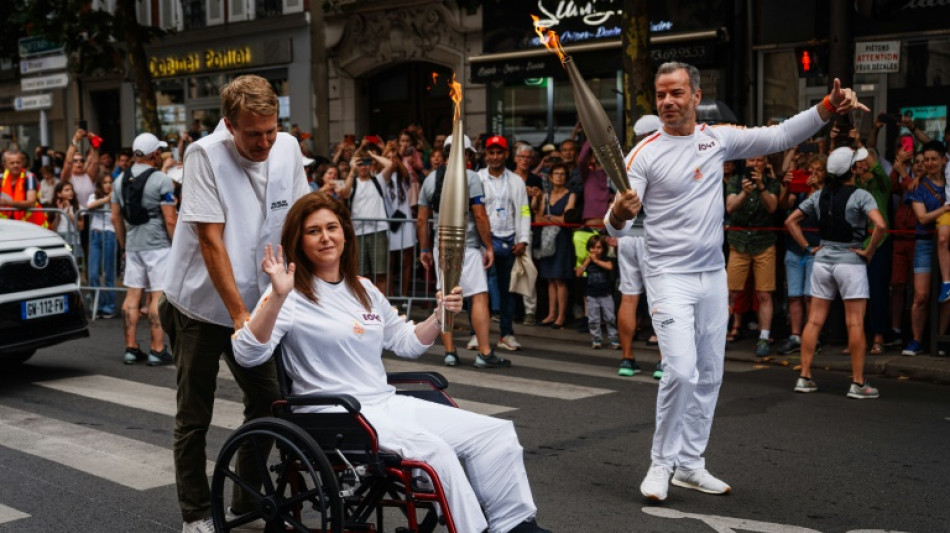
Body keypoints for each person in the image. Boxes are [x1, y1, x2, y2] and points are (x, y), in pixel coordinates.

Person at [605, 61, 866, 502]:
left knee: (710, 375)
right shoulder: (643, 154)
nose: (668, 102)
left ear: (695, 96)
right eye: (662, 94)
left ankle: (690, 464)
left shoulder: (716, 139)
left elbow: (780, 136)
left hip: (711, 275)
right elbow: (614, 226)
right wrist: (620, 214)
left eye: (677, 93)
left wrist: (826, 107)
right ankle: (660, 463)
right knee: (681, 373)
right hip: (668, 276)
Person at [231, 193, 550, 533]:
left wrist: (439, 315)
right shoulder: (289, 293)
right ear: (298, 240)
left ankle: (514, 524)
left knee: (494, 433)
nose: (325, 237)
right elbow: (248, 354)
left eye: (332, 227)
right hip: (334, 413)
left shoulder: (364, 289)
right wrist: (277, 296)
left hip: (383, 403)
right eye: (313, 231)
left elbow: (405, 342)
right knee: (436, 452)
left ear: (345, 234)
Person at [158, 74, 311, 533]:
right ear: (229, 124)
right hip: (199, 308)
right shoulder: (204, 154)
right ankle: (197, 514)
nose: (265, 141)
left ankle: (247, 498)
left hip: (257, 300)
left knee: (269, 400)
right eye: (253, 134)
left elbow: (300, 220)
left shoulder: (286, 147)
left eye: (271, 130)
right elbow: (210, 242)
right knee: (194, 414)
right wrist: (239, 317)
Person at [786, 146, 886, 398]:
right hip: (851, 262)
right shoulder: (862, 195)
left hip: (822, 261)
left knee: (814, 320)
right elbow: (881, 225)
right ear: (852, 170)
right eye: (857, 165)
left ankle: (805, 376)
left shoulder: (819, 195)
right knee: (855, 322)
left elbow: (790, 221)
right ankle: (858, 383)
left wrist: (808, 248)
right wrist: (868, 250)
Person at [417, 134, 510, 369]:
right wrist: (488, 246)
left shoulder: (430, 179)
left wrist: (425, 248)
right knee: (478, 296)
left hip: (442, 246)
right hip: (467, 247)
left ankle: (449, 352)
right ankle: (484, 352)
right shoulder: (471, 177)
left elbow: (421, 219)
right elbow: (479, 214)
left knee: (445, 296)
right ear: (467, 155)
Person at [112, 133, 177, 364]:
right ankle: (157, 349)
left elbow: (115, 217)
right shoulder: (162, 179)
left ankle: (131, 348)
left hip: (133, 244)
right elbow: (170, 219)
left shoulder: (119, 180)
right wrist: (177, 245)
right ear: (155, 154)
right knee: (157, 298)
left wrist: (124, 245)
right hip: (158, 245)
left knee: (132, 297)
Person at [479, 135, 531, 351]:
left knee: (508, 291)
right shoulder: (477, 178)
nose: (495, 157)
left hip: (509, 241)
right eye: (491, 153)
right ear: (485, 155)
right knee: (479, 291)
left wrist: (523, 239)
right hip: (484, 242)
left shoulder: (517, 181)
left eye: (499, 152)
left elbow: (524, 210)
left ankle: (506, 334)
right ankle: (476, 334)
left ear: (506, 154)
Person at [725, 155, 781, 357]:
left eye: (759, 160)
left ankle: (764, 337)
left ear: (766, 163)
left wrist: (760, 186)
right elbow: (730, 207)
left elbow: (773, 206)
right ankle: (720, 333)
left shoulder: (772, 183)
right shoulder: (735, 181)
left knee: (765, 293)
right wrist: (744, 192)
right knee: (730, 292)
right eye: (751, 160)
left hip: (764, 242)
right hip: (739, 242)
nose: (754, 164)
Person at [903, 141, 950, 356]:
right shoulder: (918, 186)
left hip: (945, 244)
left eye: (934, 159)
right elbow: (921, 218)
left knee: (946, 295)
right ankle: (916, 340)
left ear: (943, 160)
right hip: (924, 243)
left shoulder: (949, 182)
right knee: (921, 296)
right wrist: (945, 209)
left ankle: (938, 339)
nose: (930, 163)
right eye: (926, 159)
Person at [776, 154, 826, 355]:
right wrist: (788, 186)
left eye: (818, 170)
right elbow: (784, 205)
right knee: (794, 295)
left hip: (816, 248)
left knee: (810, 296)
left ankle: (812, 335)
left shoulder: (827, 193)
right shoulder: (800, 192)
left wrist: (817, 190)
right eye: (810, 170)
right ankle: (795, 336)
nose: (813, 174)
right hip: (794, 248)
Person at [339, 149, 394, 294]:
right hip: (359, 232)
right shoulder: (354, 182)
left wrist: (373, 155)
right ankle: (365, 304)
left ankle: (382, 304)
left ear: (371, 165)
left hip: (379, 230)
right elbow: (345, 193)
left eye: (366, 163)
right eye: (360, 163)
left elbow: (390, 164)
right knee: (362, 274)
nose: (363, 167)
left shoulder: (378, 180)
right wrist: (352, 169)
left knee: (381, 272)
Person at [535, 163, 575, 329]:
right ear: (550, 177)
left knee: (560, 278)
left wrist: (549, 218)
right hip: (547, 239)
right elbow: (538, 218)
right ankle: (551, 314)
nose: (559, 176)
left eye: (562, 173)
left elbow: (567, 218)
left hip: (562, 239)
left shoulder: (571, 195)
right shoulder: (545, 195)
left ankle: (561, 316)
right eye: (556, 173)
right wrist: (553, 218)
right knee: (550, 278)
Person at [575, 234, 618, 349]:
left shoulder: (606, 259)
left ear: (603, 249)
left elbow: (609, 267)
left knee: (610, 317)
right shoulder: (587, 261)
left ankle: (613, 338)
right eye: (592, 248)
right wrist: (587, 262)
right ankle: (596, 338)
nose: (595, 250)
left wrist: (596, 261)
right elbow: (578, 274)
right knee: (593, 318)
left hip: (606, 294)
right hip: (591, 295)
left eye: (598, 247)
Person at [87, 174, 118, 318]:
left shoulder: (117, 197)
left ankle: (109, 307)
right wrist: (106, 199)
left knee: (109, 273)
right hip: (95, 235)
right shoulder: (94, 195)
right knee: (93, 273)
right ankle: (98, 304)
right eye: (105, 182)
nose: (107, 185)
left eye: (110, 182)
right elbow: (89, 206)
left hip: (110, 235)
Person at [0, 149, 46, 226]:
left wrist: (6, 202)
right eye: (12, 163)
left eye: (18, 162)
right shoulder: (1, 179)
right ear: (5, 165)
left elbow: (31, 202)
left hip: (31, 224)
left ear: (22, 163)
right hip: (8, 224)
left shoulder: (29, 177)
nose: (15, 165)